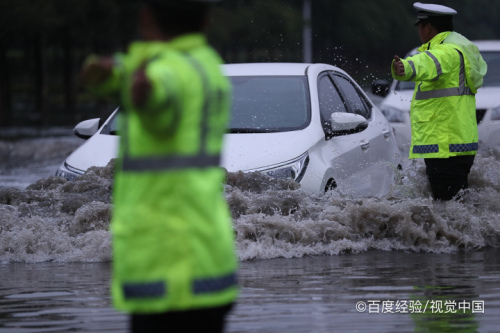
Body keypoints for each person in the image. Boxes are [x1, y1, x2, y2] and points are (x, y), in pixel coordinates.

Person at [80, 0, 238, 332]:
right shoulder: (208, 67)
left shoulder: (166, 73)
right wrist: (113, 79)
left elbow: (161, 95)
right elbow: (139, 77)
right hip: (208, 261)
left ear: (145, 18)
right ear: (207, 21)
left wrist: (147, 96)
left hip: (171, 275)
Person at [392, 2, 487, 201]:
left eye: (420, 26)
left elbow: (428, 63)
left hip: (445, 147)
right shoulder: (460, 48)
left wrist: (406, 67)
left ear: (427, 27)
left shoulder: (446, 52)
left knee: (447, 207)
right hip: (458, 143)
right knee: (457, 205)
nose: (419, 31)